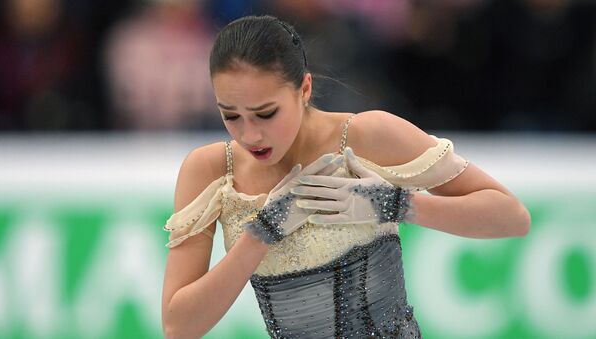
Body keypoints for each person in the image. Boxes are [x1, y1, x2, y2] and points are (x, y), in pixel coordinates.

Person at [160, 15, 531, 339]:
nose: (249, 134)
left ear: (304, 89)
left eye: (266, 113)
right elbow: (179, 327)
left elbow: (512, 218)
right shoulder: (212, 170)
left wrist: (396, 205)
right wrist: (260, 235)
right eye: (231, 115)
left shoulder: (369, 137)